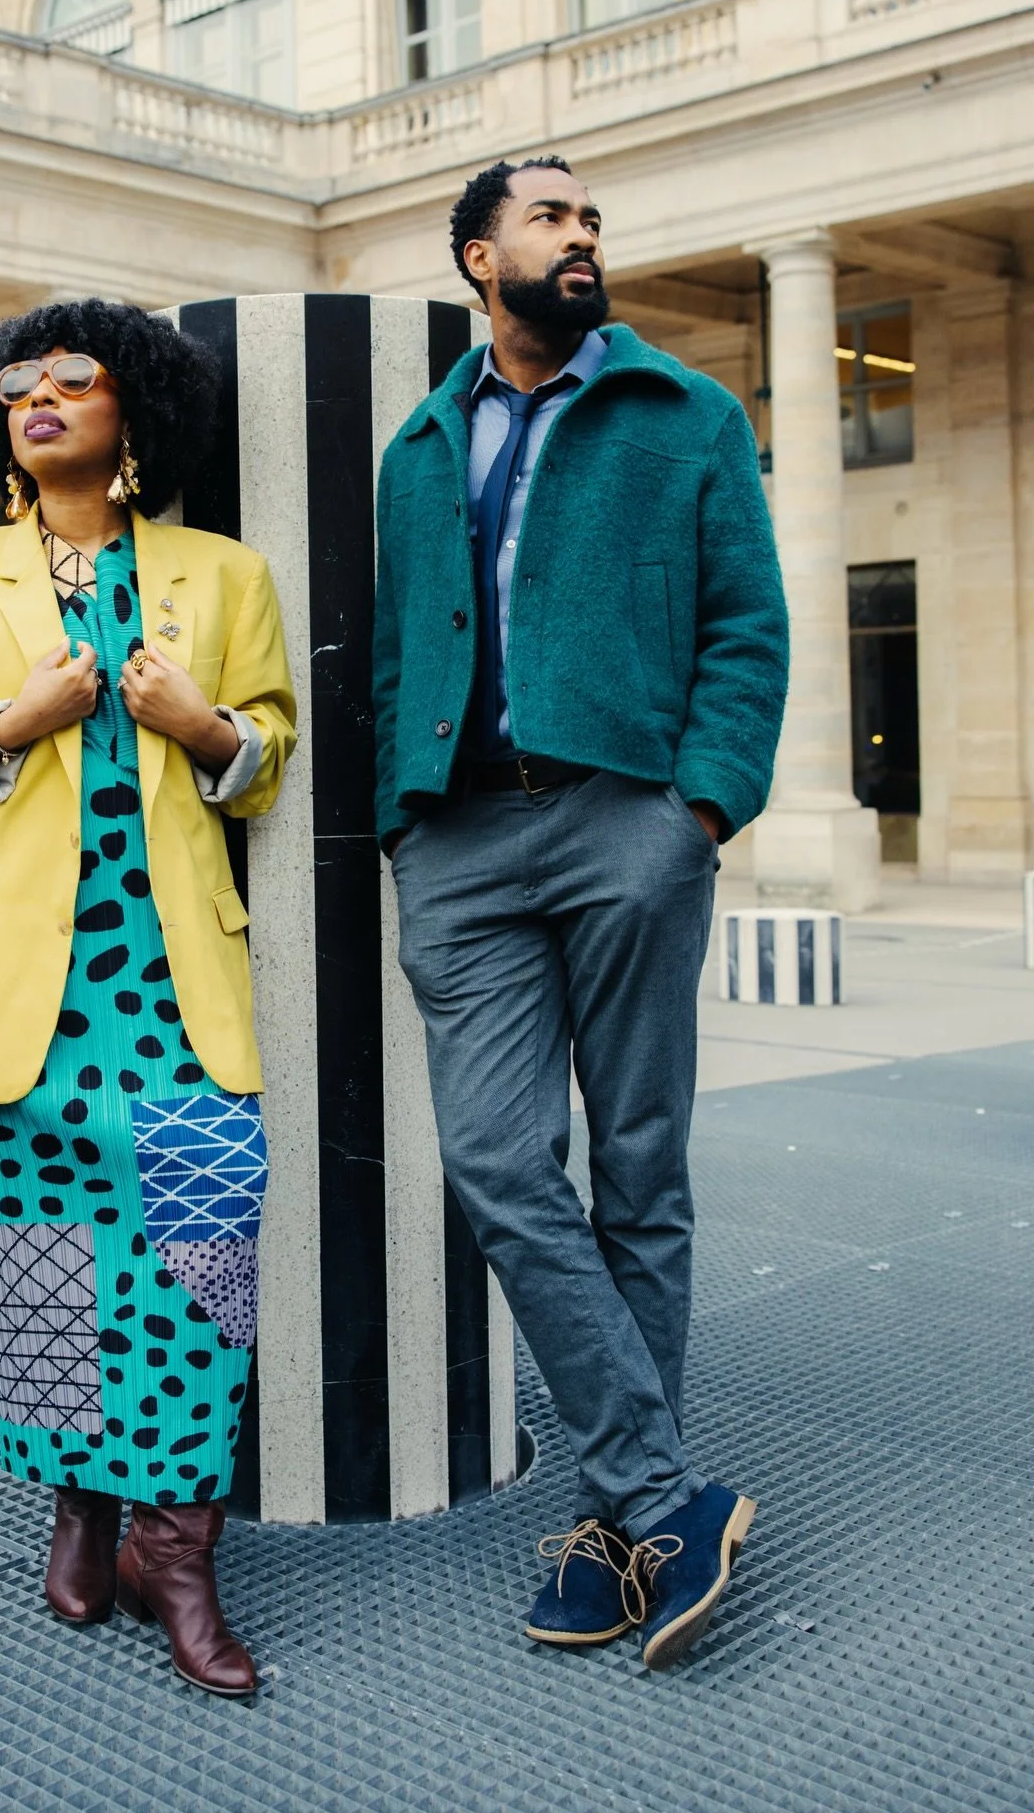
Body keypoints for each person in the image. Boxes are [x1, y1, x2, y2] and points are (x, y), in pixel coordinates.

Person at [373, 157, 789, 1669]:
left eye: (593, 219)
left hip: (629, 819)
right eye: (551, 218)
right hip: (464, 842)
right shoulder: (420, 447)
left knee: (637, 1167)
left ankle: (621, 1534)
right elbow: (398, 651)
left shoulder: (687, 417)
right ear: (480, 256)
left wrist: (698, 812)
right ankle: (665, 1496)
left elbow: (750, 622)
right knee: (494, 1157)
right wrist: (404, 825)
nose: (583, 236)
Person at [0, 299, 296, 1698]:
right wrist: (9, 720)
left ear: (135, 412)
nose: (34, 398)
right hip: (20, 984)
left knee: (200, 1255)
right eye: (15, 385)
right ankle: (82, 1511)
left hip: (170, 980)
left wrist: (208, 729)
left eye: (71, 378)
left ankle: (179, 1550)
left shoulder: (221, 575)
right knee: (45, 1263)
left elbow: (274, 742)